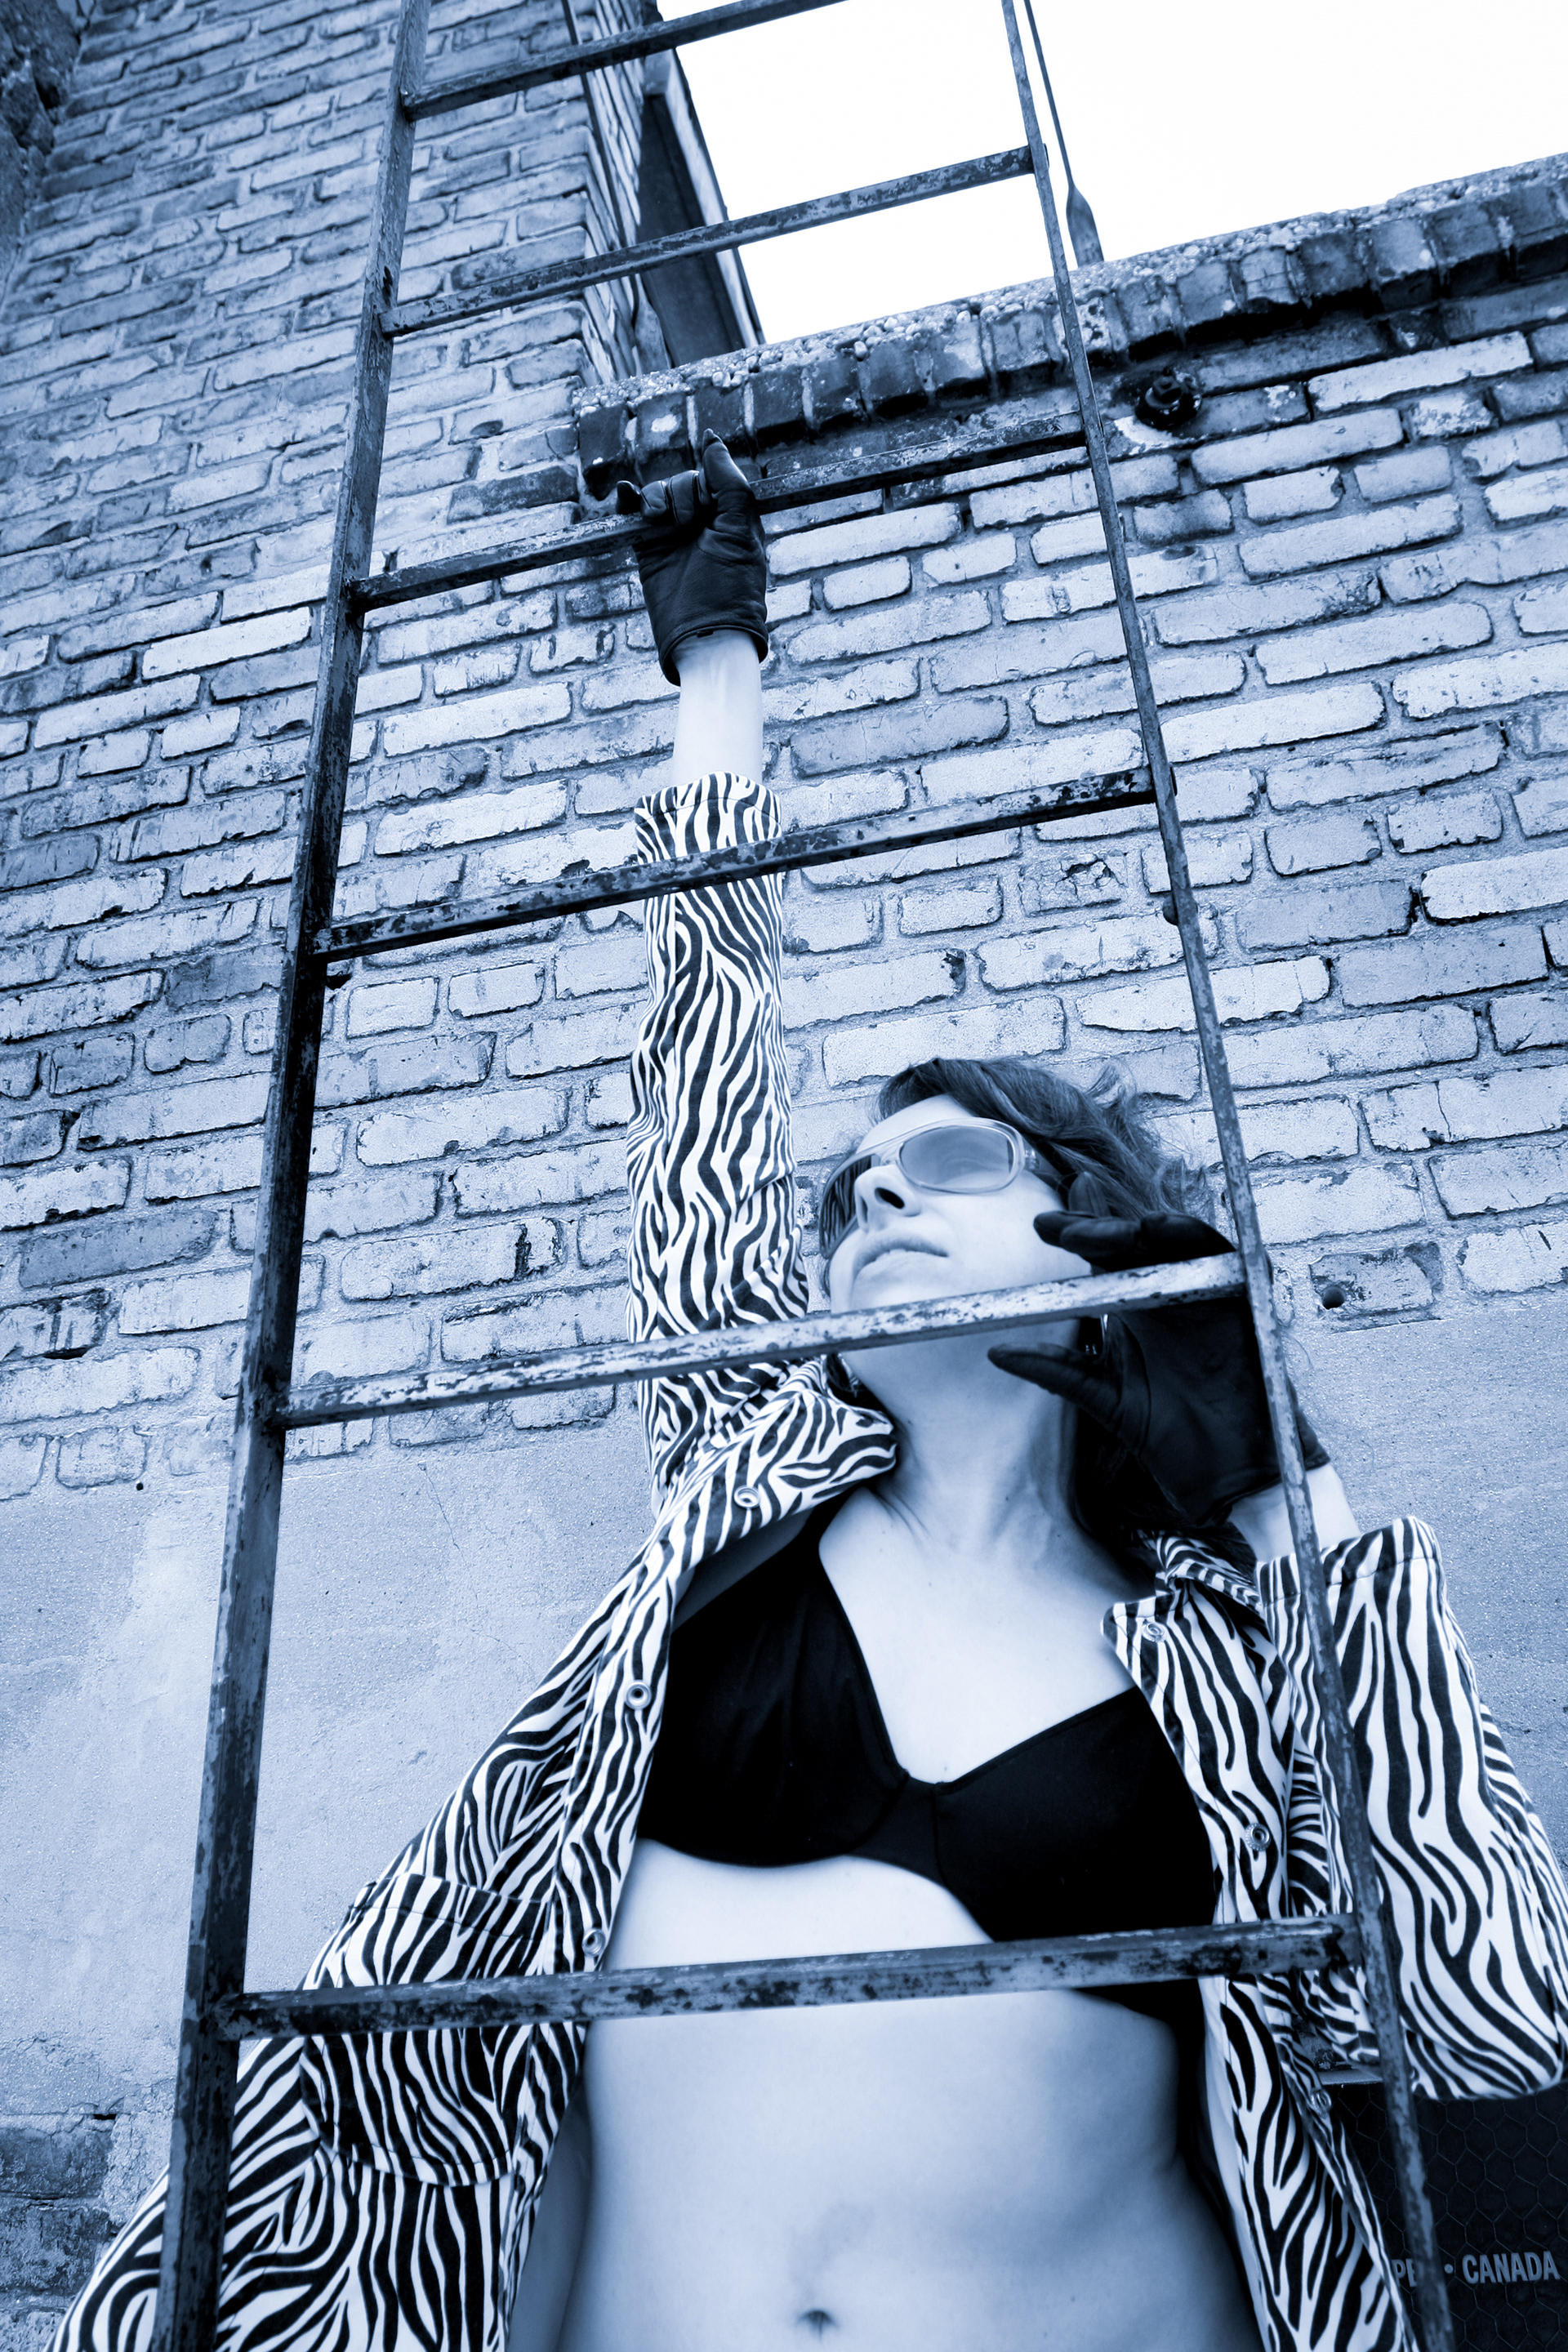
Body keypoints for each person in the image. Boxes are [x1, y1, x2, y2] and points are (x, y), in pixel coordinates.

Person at [56, 439, 1568, 2352]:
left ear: (1099, 1228)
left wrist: (1292, 1499)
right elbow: (699, 1066)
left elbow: (1490, 2021)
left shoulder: (1228, 1639)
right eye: (847, 1194)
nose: (871, 1206)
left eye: (942, 1167)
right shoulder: (747, 1462)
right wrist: (717, 670)